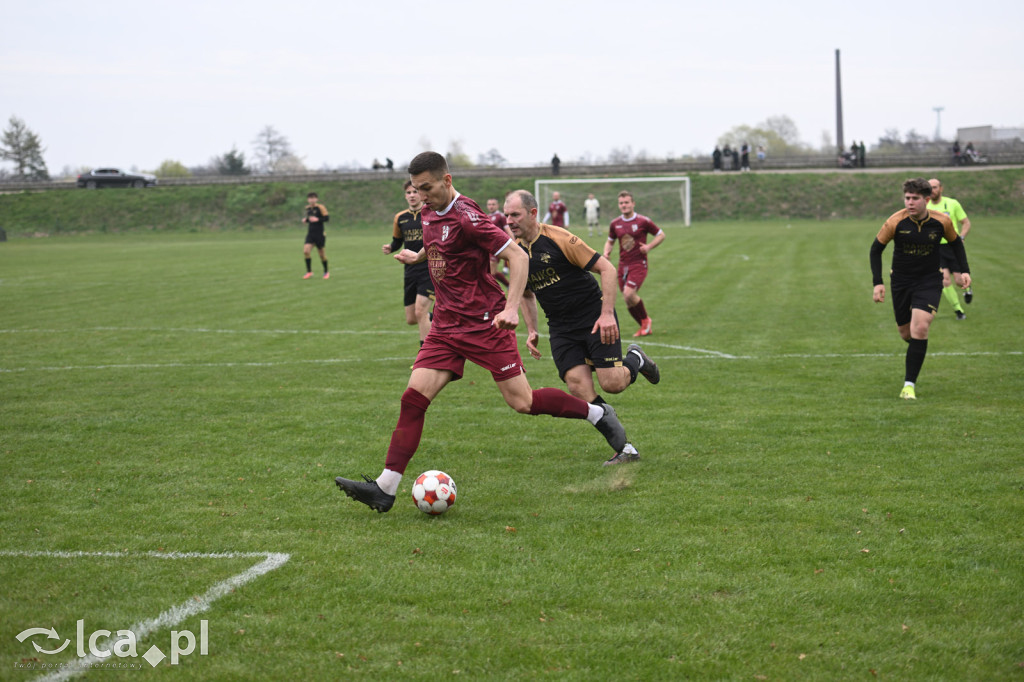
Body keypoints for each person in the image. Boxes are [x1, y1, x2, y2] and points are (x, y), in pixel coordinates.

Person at [335, 152, 629, 512]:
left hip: (484, 323)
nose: (421, 196)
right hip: (445, 325)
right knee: (413, 399)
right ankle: (385, 488)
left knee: (523, 402)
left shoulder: (469, 216)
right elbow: (439, 242)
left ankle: (596, 413)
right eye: (416, 189)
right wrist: (419, 257)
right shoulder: (428, 211)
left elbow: (518, 259)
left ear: (446, 180)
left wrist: (510, 307)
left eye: (427, 188)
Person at [505, 190, 659, 465]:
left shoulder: (559, 238)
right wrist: (532, 330)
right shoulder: (515, 253)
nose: (509, 220)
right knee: (579, 388)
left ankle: (636, 358)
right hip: (561, 327)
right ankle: (625, 449)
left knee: (611, 384)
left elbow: (608, 269)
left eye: (515, 214)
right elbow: (526, 293)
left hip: (593, 317)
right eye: (506, 215)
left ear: (532, 213)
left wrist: (608, 314)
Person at [870, 178, 971, 400]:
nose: (910, 202)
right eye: (907, 198)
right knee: (906, 333)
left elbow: (955, 244)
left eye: (915, 198)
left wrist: (964, 270)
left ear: (926, 200)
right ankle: (918, 348)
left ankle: (908, 386)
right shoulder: (895, 221)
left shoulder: (941, 221)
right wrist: (878, 282)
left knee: (921, 327)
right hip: (901, 283)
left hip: (929, 281)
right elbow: (876, 250)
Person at [602, 191, 665, 337]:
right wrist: (606, 252)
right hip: (622, 265)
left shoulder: (643, 221)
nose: (624, 205)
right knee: (627, 299)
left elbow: (661, 234)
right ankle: (644, 325)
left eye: (627, 202)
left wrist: (649, 247)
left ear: (633, 204)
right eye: (621, 203)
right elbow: (610, 240)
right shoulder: (615, 223)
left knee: (629, 293)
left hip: (638, 263)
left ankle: (646, 321)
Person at [382, 180, 433, 345]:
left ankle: (423, 358)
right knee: (412, 318)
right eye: (408, 193)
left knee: (420, 312)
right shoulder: (400, 218)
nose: (412, 195)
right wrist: (391, 247)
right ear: (405, 196)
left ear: (421, 193)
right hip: (410, 271)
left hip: (429, 269)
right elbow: (397, 241)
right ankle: (436, 318)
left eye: (414, 192)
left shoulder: (430, 213)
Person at [927, 177, 974, 318]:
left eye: (935, 187)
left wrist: (962, 237)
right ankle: (959, 310)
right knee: (944, 280)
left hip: (953, 247)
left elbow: (966, 223)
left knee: (960, 281)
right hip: (936, 249)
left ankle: (968, 288)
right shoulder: (925, 206)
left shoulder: (952, 204)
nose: (932, 190)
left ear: (941, 188)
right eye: (929, 188)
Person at [301, 192, 329, 279]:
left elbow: (327, 218)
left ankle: (326, 271)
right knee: (306, 251)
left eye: (313, 198)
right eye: (310, 198)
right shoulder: (308, 208)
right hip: (310, 234)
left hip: (319, 234)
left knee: (321, 255)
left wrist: (318, 219)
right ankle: (309, 272)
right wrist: (306, 220)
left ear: (316, 199)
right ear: (308, 200)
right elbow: (311, 219)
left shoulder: (321, 207)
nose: (312, 200)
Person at [486, 197, 512, 287]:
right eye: (489, 204)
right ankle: (508, 285)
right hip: (489, 247)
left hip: (498, 246)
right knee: (491, 271)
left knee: (491, 272)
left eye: (493, 204)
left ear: (497, 205)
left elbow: (507, 229)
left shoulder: (501, 216)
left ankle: (494, 294)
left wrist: (515, 242)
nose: (491, 206)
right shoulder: (487, 217)